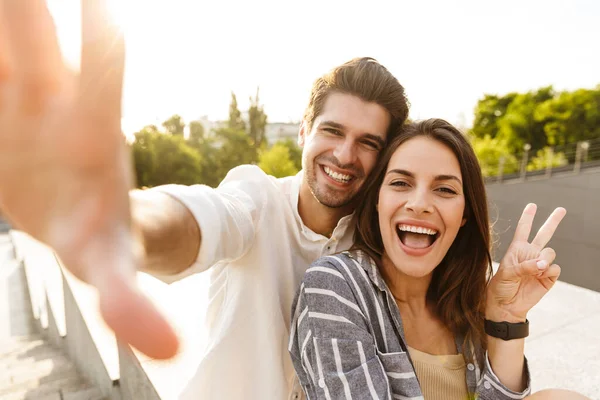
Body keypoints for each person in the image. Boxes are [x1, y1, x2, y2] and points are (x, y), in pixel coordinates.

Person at [0, 1, 410, 397]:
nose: (344, 155)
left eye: (368, 142)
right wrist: (129, 224)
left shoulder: (384, 243)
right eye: (333, 131)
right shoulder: (256, 199)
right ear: (304, 131)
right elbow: (203, 218)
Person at [289, 119, 586, 399]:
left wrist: (506, 317)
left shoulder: (463, 302)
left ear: (464, 214)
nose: (419, 204)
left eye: (444, 189)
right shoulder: (335, 286)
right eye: (400, 183)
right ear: (378, 200)